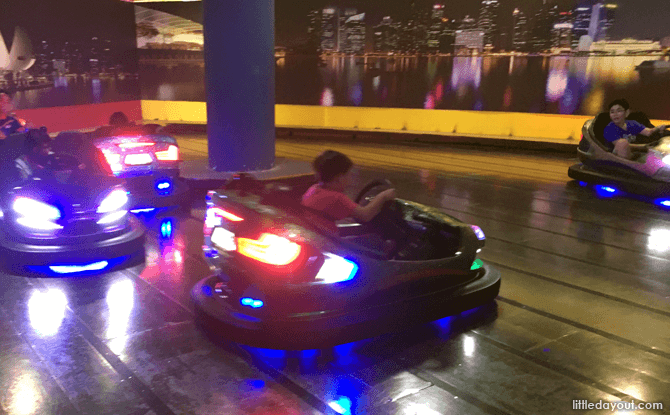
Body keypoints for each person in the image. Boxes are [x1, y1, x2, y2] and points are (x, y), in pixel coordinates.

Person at [302, 150, 396, 222]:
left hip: (317, 234)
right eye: (349, 174)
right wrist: (383, 196)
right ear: (338, 178)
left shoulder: (313, 189)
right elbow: (365, 215)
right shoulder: (337, 199)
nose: (351, 178)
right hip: (330, 242)